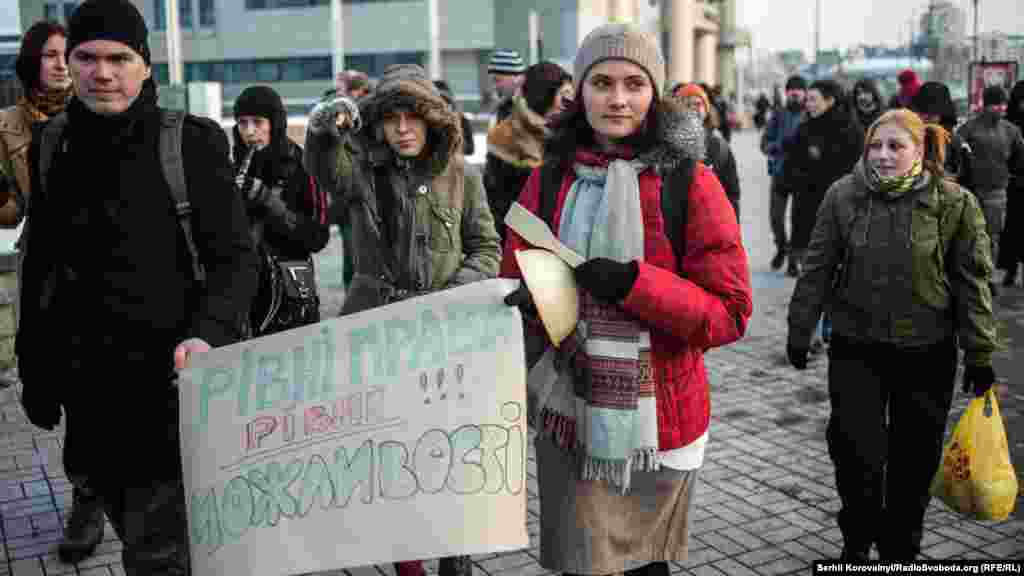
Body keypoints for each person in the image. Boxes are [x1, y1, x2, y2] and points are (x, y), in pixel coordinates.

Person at [15, 1, 258, 574]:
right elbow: (42, 263)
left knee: (158, 552)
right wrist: (37, 368)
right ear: (69, 63)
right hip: (92, 399)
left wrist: (209, 335)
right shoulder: (52, 144)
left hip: (172, 393)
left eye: (119, 58)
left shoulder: (191, 142)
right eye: (88, 57)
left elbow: (234, 260)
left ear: (145, 65)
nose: (103, 72)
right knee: (138, 534)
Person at [501, 23, 752, 576]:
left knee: (643, 567)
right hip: (568, 411)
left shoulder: (689, 182)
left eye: (634, 84)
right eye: (603, 82)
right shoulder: (548, 180)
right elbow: (512, 269)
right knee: (579, 564)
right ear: (579, 92)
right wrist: (528, 297)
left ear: (653, 94)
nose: (618, 99)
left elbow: (730, 312)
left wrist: (636, 286)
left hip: (657, 425)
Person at [305, 63, 501, 576]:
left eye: (414, 117)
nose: (404, 128)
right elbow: (327, 171)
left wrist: (452, 297)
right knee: (390, 462)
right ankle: (407, 567)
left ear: (433, 121)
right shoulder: (362, 172)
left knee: (449, 461)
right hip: (375, 337)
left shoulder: (463, 177)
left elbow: (486, 248)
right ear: (379, 124)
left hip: (445, 344)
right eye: (392, 118)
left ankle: (455, 561)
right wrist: (326, 129)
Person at [787, 108, 999, 560]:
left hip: (927, 352)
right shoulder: (843, 195)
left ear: (920, 151)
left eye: (895, 146)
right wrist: (800, 330)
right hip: (855, 349)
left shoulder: (954, 203)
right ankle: (857, 541)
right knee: (855, 453)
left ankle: (901, 548)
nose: (882, 156)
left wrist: (980, 352)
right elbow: (817, 269)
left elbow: (973, 282)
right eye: (875, 146)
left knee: (914, 460)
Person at [0, 19, 106, 565]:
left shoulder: (97, 109)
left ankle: (93, 497)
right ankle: (88, 487)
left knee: (104, 380)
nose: (61, 63)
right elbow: (12, 206)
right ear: (32, 62)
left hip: (103, 261)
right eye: (50, 55)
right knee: (58, 379)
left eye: (69, 53)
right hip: (45, 265)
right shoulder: (9, 125)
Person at [232, 85, 329, 336]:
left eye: (257, 122)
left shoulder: (304, 166)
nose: (250, 131)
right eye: (242, 123)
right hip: (246, 291)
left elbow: (318, 236)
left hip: (291, 290)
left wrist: (268, 201)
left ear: (274, 123)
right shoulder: (231, 167)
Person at [784, 79, 864, 277]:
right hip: (806, 203)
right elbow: (793, 162)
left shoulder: (849, 129)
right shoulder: (805, 128)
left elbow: (854, 167)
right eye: (807, 99)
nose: (808, 104)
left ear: (830, 101)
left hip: (840, 203)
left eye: (813, 99)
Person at [484, 61, 571, 241]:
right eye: (563, 96)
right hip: (519, 240)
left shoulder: (572, 133)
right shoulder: (507, 136)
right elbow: (496, 202)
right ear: (544, 95)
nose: (567, 103)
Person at [955, 85, 1024, 295]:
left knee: (991, 236)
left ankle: (987, 277)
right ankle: (974, 276)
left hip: (997, 191)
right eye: (995, 104)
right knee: (973, 236)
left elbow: (1019, 157)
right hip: (973, 190)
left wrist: (1013, 175)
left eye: (1002, 104)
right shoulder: (970, 128)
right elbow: (956, 143)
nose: (1000, 108)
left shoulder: (1010, 130)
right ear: (986, 105)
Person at [674, 83, 741, 219]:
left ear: (706, 109)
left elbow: (732, 195)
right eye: (687, 104)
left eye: (698, 104)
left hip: (708, 226)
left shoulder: (719, 148)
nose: (693, 108)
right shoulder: (665, 146)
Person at [761, 75, 806, 271]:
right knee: (776, 218)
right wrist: (778, 146)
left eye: (798, 89)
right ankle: (781, 247)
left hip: (803, 176)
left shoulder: (810, 114)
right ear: (787, 92)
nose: (795, 92)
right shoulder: (778, 115)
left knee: (799, 219)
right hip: (780, 173)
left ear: (804, 92)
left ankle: (794, 259)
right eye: (791, 89)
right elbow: (764, 143)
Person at [911, 81, 967, 181]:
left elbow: (966, 179)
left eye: (931, 114)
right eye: (921, 112)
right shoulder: (908, 138)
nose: (924, 118)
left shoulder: (955, 142)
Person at [998, 80, 1024, 287]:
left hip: (1015, 181)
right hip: (1015, 182)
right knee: (1014, 227)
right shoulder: (1008, 125)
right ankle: (1011, 269)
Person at [433, 79, 476, 157]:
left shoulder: (461, 119)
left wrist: (453, 144)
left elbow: (470, 149)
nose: (442, 105)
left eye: (445, 101)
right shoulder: (429, 119)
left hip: (455, 164)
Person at [488, 49, 526, 123]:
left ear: (516, 78)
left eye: (497, 80)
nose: (494, 86)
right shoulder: (504, 105)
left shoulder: (529, 107)